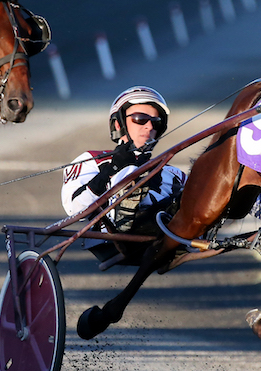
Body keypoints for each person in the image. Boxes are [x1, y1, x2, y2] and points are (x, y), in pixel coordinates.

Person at [61, 86, 186, 264]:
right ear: (118, 123)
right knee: (129, 174)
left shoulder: (172, 172)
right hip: (111, 236)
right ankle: (126, 208)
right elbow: (74, 208)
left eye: (155, 122)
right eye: (140, 119)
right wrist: (112, 169)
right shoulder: (91, 160)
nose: (149, 126)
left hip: (164, 233)